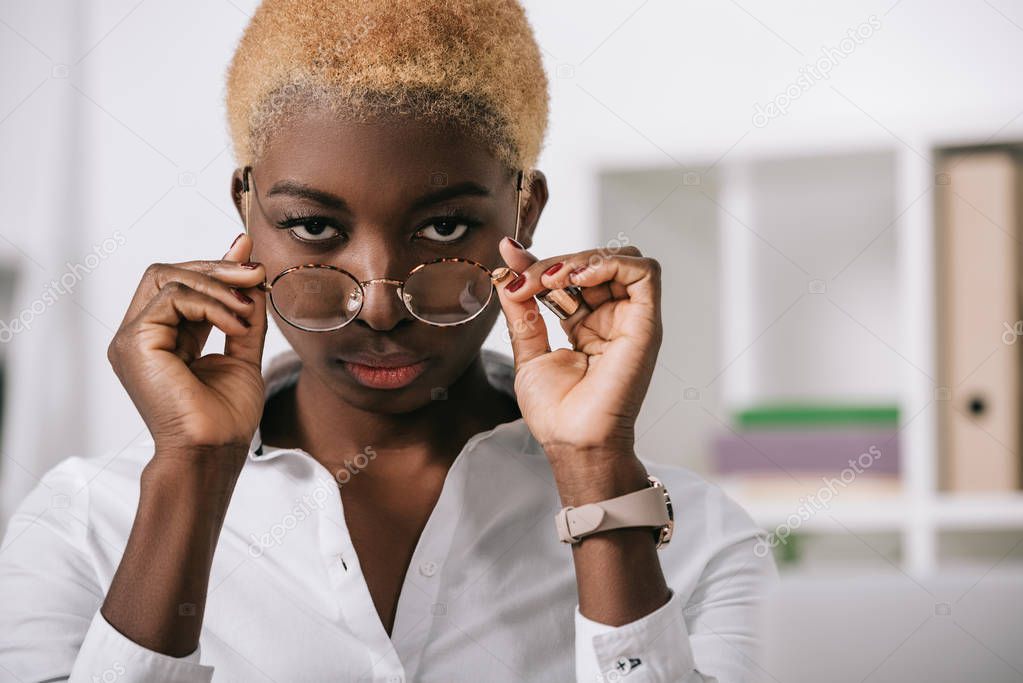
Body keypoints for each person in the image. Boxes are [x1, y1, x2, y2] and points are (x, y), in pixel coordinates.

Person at [0, 0, 776, 680]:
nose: (377, 305)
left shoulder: (699, 537)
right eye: (312, 227)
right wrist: (190, 474)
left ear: (524, 211)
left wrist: (595, 468)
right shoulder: (78, 523)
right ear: (247, 209)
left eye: (442, 226)